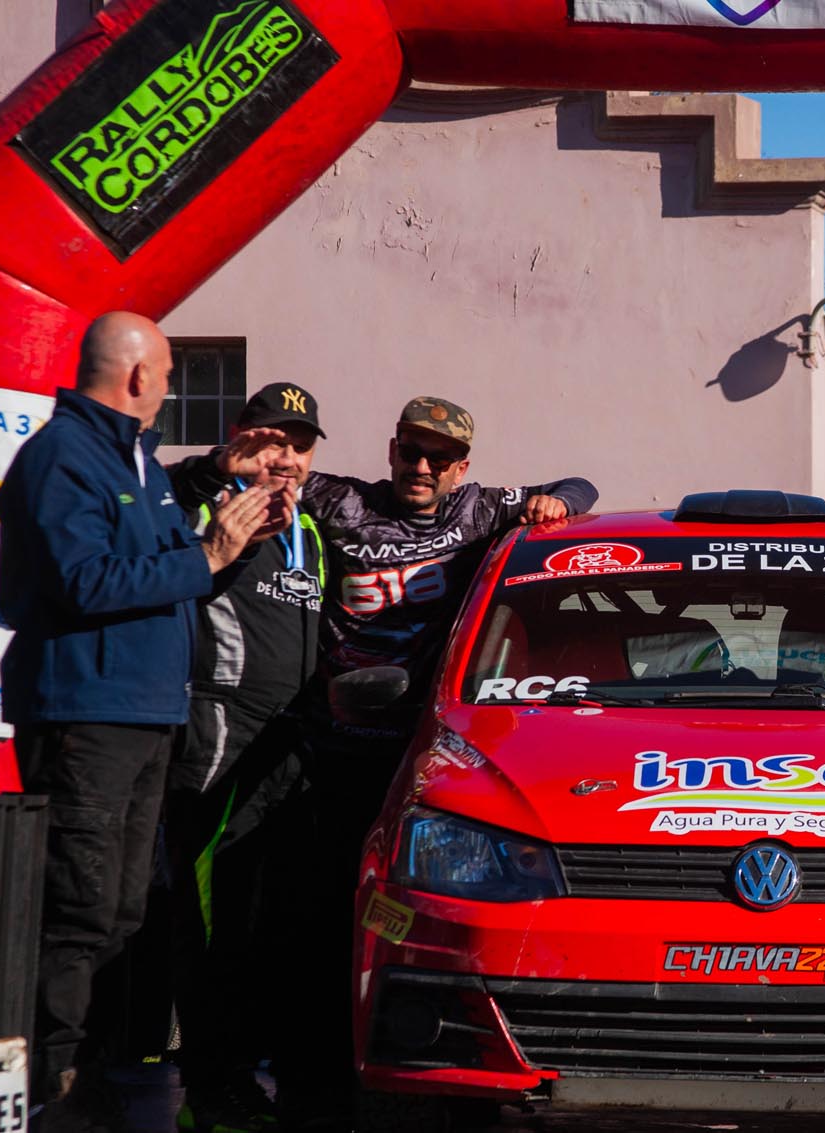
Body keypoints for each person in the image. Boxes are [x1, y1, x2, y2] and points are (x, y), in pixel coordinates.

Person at [178, 396, 598, 1129]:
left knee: (403, 927)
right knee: (306, 927)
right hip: (324, 756)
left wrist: (558, 501)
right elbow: (247, 476)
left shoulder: (477, 511)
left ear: (462, 466)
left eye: (440, 457)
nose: (423, 467)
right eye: (411, 451)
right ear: (392, 449)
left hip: (417, 766)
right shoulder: (342, 502)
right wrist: (227, 462)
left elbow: (580, 487)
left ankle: (405, 1077)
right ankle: (303, 1090)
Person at [0, 312, 270, 1132]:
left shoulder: (137, 460)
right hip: (87, 716)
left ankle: (90, 1076)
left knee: (121, 910)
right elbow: (86, 580)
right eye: (172, 373)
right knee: (77, 907)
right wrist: (207, 555)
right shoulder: (62, 456)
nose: (173, 388)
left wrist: (223, 505)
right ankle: (50, 1086)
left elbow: (158, 562)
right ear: (140, 375)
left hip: (146, 717)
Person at [164, 383, 330, 1133]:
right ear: (241, 439)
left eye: (299, 445)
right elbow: (165, 500)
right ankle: (208, 1090)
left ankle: (256, 1081)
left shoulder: (313, 528)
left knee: (275, 927)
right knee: (213, 924)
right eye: (272, 441)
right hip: (220, 742)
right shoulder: (204, 502)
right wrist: (214, 473)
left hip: (291, 751)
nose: (285, 457)